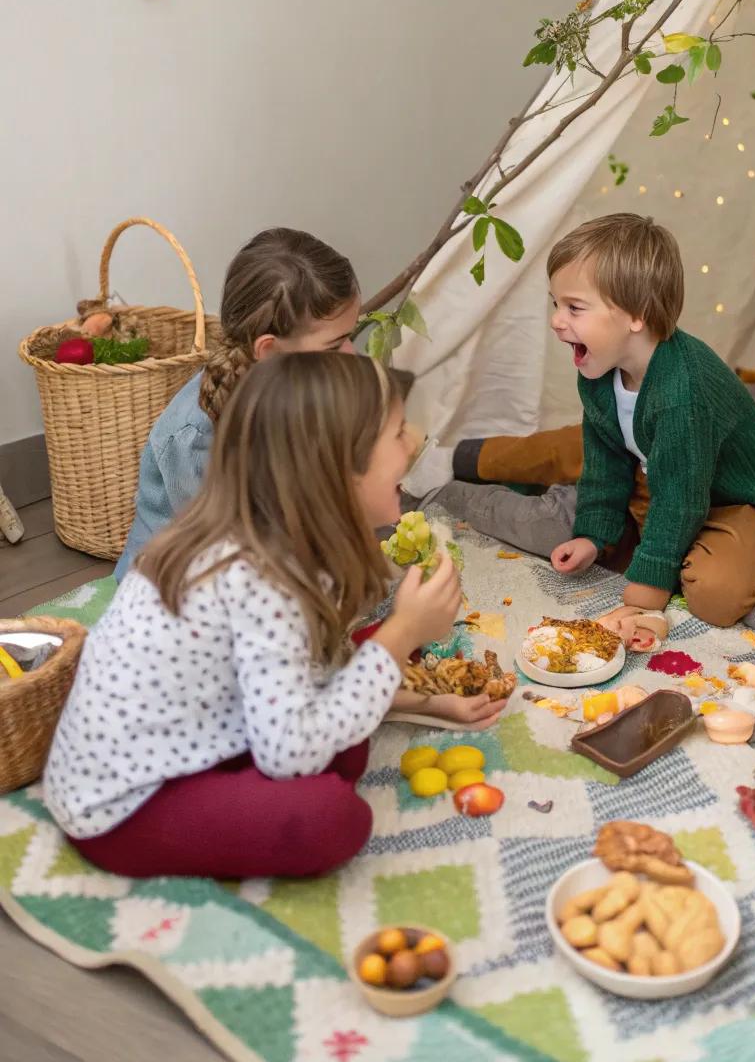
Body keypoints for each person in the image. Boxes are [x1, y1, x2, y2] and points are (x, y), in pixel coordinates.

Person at [44, 354, 475, 878]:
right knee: (332, 818)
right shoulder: (260, 575)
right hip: (122, 805)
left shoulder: (276, 543)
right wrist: (400, 634)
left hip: (197, 737)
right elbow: (290, 755)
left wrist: (424, 697)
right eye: (398, 433)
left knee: (348, 746)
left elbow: (305, 678)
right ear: (339, 469)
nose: (414, 443)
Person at [418, 215, 755, 634]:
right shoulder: (600, 370)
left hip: (723, 497)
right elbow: (603, 461)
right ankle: (454, 459)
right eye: (556, 304)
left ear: (637, 315)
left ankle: (660, 544)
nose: (556, 321)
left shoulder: (683, 392)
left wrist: (646, 594)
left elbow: (680, 499)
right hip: (650, 467)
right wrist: (592, 535)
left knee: (719, 595)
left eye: (574, 308)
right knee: (566, 449)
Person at [114, 227, 361, 582]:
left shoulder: (297, 391)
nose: (352, 354)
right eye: (335, 346)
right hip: (174, 584)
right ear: (271, 351)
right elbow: (214, 554)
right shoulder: (193, 435)